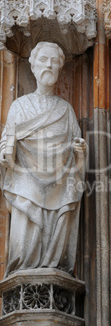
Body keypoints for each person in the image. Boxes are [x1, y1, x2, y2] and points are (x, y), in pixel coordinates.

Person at [0, 41, 87, 276]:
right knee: (27, 228)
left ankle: (52, 266)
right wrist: (5, 154)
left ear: (60, 68)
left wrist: (79, 153)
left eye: (54, 62)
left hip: (59, 180)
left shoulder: (66, 109)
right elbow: (7, 143)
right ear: (33, 66)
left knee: (56, 221)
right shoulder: (20, 106)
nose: (48, 65)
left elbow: (75, 153)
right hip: (25, 179)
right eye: (43, 60)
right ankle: (25, 270)